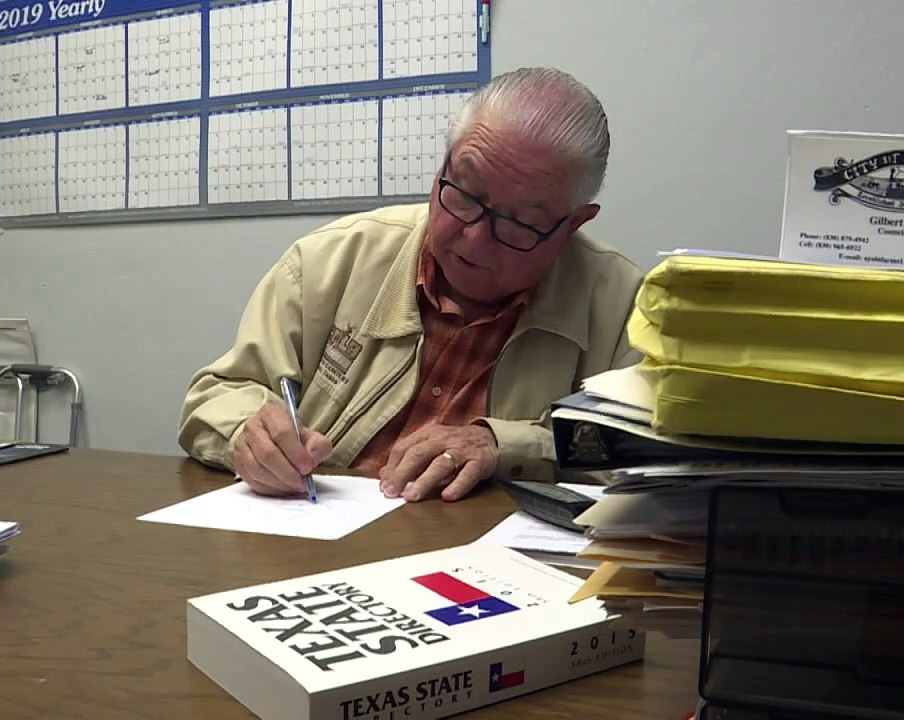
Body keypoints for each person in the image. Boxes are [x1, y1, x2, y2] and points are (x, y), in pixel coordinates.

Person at [178, 67, 644, 503]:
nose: (476, 238)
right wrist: (249, 435)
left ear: (573, 225)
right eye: (463, 193)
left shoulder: (625, 308)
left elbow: (655, 453)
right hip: (317, 547)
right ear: (441, 169)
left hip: (492, 568)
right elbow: (217, 394)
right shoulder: (331, 260)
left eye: (521, 224)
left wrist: (504, 445)